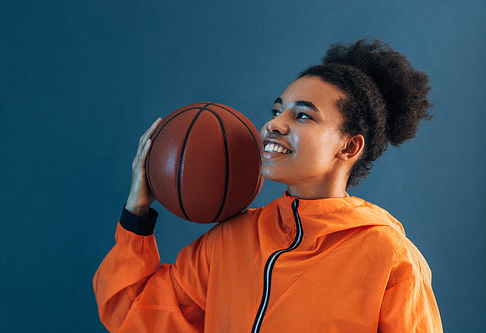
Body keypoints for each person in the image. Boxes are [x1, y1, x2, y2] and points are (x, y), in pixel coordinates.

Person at [93, 38, 443, 332]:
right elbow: (134, 316)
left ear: (349, 147)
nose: (274, 124)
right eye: (277, 110)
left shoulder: (388, 256)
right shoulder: (229, 241)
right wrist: (136, 213)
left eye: (303, 115)